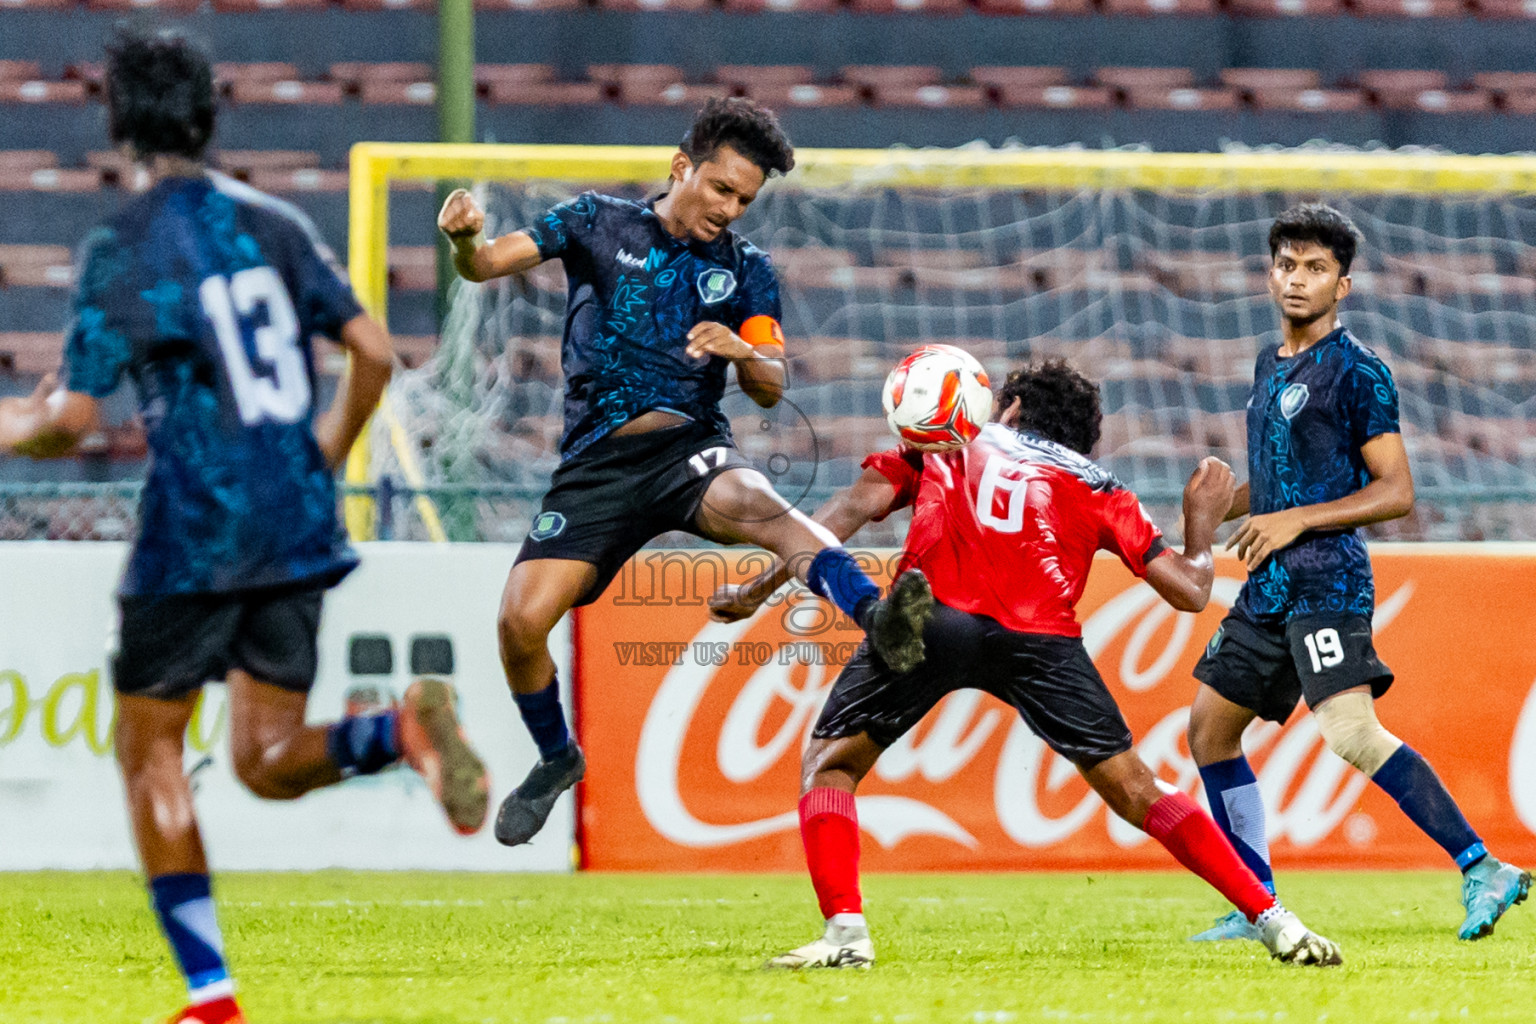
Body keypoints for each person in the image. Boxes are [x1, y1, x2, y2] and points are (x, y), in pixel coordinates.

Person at [0, 29, 488, 1024]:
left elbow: (69, 423)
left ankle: (211, 996)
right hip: (293, 521)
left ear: (116, 123)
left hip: (196, 525)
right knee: (266, 760)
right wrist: (320, 456)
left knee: (149, 753)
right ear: (210, 117)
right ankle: (395, 728)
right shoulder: (272, 223)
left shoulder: (123, 246)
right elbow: (373, 352)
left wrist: (14, 420)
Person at [709, 359, 1343, 969]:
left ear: (1006, 407)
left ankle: (846, 931)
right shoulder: (1100, 484)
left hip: (930, 614)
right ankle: (1276, 920)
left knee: (833, 764)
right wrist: (1200, 522)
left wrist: (757, 588)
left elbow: (843, 514)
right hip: (1041, 642)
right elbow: (1190, 591)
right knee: (1137, 789)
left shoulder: (949, 437)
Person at [436, 97, 930, 848]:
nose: (729, 209)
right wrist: (464, 240)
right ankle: (555, 757)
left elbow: (770, 380)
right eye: (722, 189)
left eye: (745, 200)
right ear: (681, 167)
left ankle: (879, 620)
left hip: (688, 451)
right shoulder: (595, 222)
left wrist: (741, 352)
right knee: (519, 621)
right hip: (596, 468)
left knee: (766, 507)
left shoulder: (745, 273)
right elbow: (484, 265)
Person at [1185, 203, 1530, 946]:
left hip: (1326, 579)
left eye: (1315, 268)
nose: (1297, 279)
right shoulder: (1267, 363)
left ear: (1345, 284)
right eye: (1286, 265)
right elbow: (1285, 483)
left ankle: (1482, 866)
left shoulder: (1359, 371)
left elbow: (1396, 491)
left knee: (1349, 732)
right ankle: (1257, 904)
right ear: (1268, 274)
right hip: (1270, 583)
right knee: (1209, 731)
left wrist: (1296, 519)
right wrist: (1224, 505)